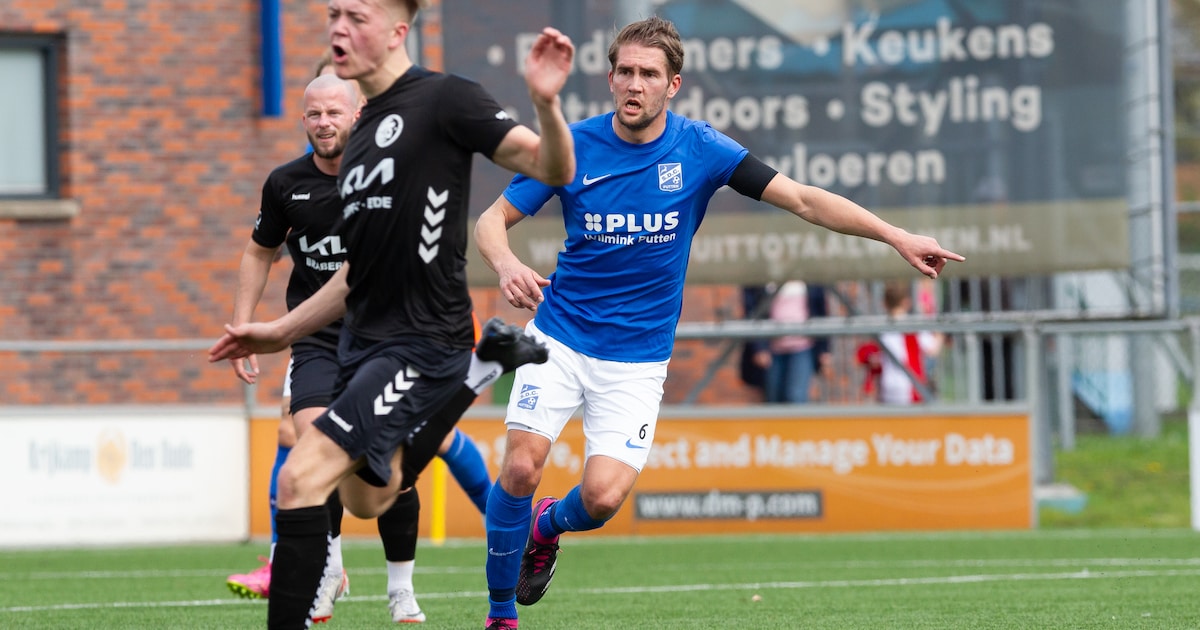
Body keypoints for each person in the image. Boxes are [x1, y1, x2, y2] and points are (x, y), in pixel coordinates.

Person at [472, 16, 963, 630]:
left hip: (637, 358)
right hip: (560, 336)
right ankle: (499, 617)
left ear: (672, 85)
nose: (634, 84)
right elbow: (490, 221)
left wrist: (895, 235)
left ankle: (547, 526)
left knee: (600, 501)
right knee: (521, 465)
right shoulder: (573, 144)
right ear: (609, 77)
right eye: (624, 71)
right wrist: (507, 261)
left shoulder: (702, 149)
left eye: (648, 74)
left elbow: (805, 199)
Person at [207, 0, 577, 626]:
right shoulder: (358, 139)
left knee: (300, 477)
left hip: (420, 340)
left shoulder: (445, 100)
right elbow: (355, 274)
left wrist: (545, 101)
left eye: (356, 16)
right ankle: (480, 373)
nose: (338, 29)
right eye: (333, 15)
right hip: (359, 345)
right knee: (369, 496)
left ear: (398, 31)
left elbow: (553, 168)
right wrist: (278, 331)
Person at [226, 55, 498, 627]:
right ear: (304, 119)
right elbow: (258, 251)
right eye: (314, 113)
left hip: (383, 339)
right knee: (310, 451)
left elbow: (377, 270)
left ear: (359, 114)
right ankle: (323, 567)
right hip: (316, 343)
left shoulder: (387, 178)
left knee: (377, 479)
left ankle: (401, 585)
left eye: (335, 111)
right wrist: (248, 325)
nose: (324, 122)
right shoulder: (285, 184)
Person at [758, 281, 831, 403]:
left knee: (796, 396)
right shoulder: (766, 277)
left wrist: (824, 349)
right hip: (773, 347)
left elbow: (820, 311)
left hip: (802, 346)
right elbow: (755, 311)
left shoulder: (809, 279)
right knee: (774, 396)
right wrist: (759, 347)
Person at [876, 280, 944, 404]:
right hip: (910, 388)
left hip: (887, 387)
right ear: (906, 303)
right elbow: (933, 350)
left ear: (884, 304)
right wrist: (939, 332)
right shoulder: (913, 327)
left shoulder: (880, 329)